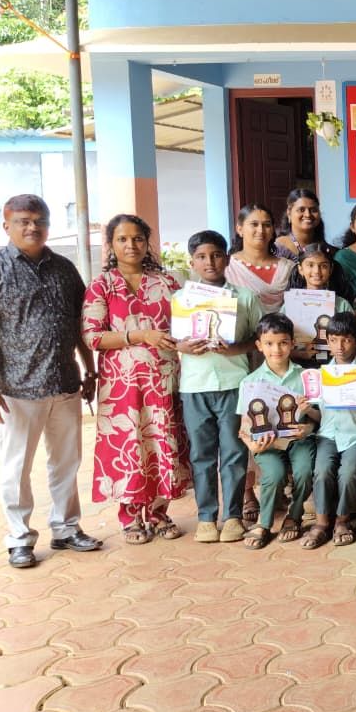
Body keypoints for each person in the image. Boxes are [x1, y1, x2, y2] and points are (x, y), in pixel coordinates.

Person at [0, 194, 100, 568]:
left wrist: (89, 369)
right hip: (16, 390)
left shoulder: (64, 269)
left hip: (64, 383)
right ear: (6, 225)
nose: (33, 227)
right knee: (16, 469)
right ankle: (19, 538)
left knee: (66, 464)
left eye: (39, 220)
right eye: (23, 221)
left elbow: (78, 325)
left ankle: (66, 528)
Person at [81, 214, 192, 544]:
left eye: (138, 239)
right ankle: (129, 517)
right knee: (128, 444)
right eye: (123, 239)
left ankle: (158, 512)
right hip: (121, 385)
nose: (131, 245)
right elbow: (93, 337)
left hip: (163, 379)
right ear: (111, 244)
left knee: (161, 442)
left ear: (147, 243)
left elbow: (185, 325)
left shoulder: (167, 283)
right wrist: (140, 335)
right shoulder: (101, 285)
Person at [176, 230, 262, 544]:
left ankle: (233, 516)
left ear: (226, 259)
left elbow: (259, 339)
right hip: (195, 386)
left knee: (234, 452)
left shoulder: (245, 297)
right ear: (192, 262)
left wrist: (234, 348)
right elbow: (173, 339)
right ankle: (206, 518)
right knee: (202, 455)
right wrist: (182, 346)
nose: (209, 262)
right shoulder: (180, 299)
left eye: (215, 255)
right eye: (201, 257)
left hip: (233, 383)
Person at [237, 314, 318, 549]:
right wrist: (252, 445)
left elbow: (319, 419)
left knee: (304, 470)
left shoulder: (305, 377)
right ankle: (264, 523)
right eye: (269, 343)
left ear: (292, 343)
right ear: (259, 345)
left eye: (283, 343)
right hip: (267, 443)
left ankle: (294, 515)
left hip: (299, 440)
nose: (276, 349)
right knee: (274, 474)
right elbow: (244, 427)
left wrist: (308, 422)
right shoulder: (250, 382)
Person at [304, 312, 356, 548]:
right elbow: (321, 416)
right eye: (334, 340)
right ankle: (321, 523)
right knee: (322, 470)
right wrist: (307, 410)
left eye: (346, 340)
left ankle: (342, 520)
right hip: (327, 435)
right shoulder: (320, 375)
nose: (340, 346)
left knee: (349, 472)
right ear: (327, 341)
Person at [226, 203, 294, 312]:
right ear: (239, 229)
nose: (261, 230)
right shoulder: (228, 266)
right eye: (254, 224)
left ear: (272, 230)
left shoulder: (288, 268)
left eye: (267, 225)